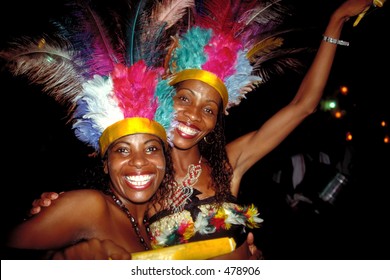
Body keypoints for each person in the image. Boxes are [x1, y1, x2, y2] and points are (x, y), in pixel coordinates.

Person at [24, 0, 374, 257]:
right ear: (162, 99)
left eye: (209, 109)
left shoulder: (227, 163)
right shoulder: (139, 177)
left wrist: (335, 24)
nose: (194, 115)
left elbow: (303, 106)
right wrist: (55, 212)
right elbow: (96, 226)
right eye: (184, 99)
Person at [1, 0, 262, 260]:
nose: (139, 161)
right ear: (105, 163)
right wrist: (64, 259)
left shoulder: (151, 231)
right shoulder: (91, 207)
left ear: (164, 159)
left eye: (151, 149)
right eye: (123, 150)